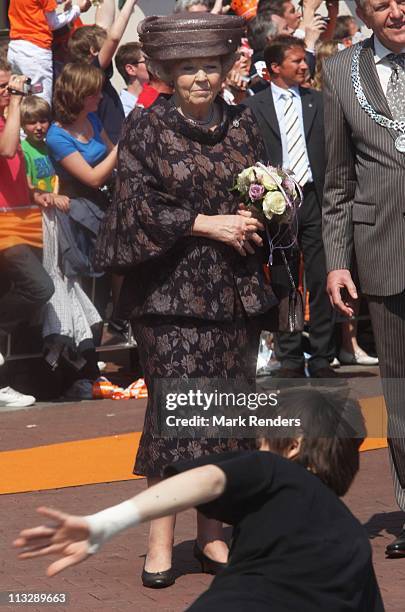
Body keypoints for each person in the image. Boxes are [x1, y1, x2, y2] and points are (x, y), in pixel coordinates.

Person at [94, 12, 277, 588]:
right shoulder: (147, 128)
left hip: (233, 293)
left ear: (226, 69)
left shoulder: (244, 121)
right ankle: (158, 543)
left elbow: (264, 182)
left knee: (225, 418)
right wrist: (208, 224)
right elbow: (135, 207)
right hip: (170, 297)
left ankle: (214, 536)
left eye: (211, 66)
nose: (202, 77)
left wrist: (261, 212)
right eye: (189, 68)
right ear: (169, 72)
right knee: (174, 419)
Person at [14, 389, 384, 611]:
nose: (258, 445)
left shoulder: (275, 470)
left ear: (293, 445)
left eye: (265, 438)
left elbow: (207, 479)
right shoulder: (354, 539)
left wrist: (107, 522)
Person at [322, 0, 405, 557]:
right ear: (363, 13)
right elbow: (336, 178)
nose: (397, 11)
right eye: (381, 5)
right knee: (399, 392)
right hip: (383, 249)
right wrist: (336, 260)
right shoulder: (338, 71)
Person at [244, 35, 336, 378]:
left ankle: (324, 355)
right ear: (275, 68)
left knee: (321, 275)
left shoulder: (319, 101)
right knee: (283, 278)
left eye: (305, 60)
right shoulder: (255, 106)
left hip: (314, 197)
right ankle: (291, 354)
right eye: (296, 61)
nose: (304, 66)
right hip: (278, 201)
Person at [0, 60, 54, 407]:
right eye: (3, 87)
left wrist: (38, 194)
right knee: (40, 288)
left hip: (25, 224)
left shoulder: (9, 119)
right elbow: (5, 150)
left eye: (9, 85)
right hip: (5, 230)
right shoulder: (9, 121)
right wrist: (18, 101)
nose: (8, 91)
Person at [67, 0, 138, 143]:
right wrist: (130, 3)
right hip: (110, 145)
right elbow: (113, 37)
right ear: (93, 51)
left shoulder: (85, 71)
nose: (108, 47)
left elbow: (104, 27)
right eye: (103, 45)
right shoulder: (91, 71)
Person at [7, 0, 91, 105]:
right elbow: (53, 23)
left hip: (16, 48)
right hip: (35, 51)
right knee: (40, 101)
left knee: (22, 95)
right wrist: (77, 10)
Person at [115, 42, 149, 117]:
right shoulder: (121, 110)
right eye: (147, 61)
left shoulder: (159, 98)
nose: (153, 65)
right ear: (131, 69)